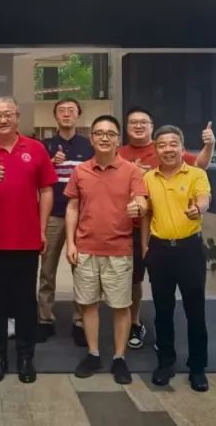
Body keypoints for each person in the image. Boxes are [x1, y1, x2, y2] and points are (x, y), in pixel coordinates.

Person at [0, 97, 56, 384]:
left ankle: (26, 357)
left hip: (26, 240)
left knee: (25, 302)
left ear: (17, 116)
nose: (3, 120)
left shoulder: (36, 148)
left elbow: (47, 190)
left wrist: (42, 229)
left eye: (8, 114)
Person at [118, 108, 215, 350]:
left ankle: (196, 362)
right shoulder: (123, 157)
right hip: (137, 232)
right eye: (133, 122)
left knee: (193, 303)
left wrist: (210, 145)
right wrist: (145, 245)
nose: (138, 126)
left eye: (143, 122)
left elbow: (201, 172)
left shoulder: (182, 164)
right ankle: (141, 329)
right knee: (140, 285)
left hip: (179, 241)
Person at [65, 115, 148, 384]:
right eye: (99, 133)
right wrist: (70, 242)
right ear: (91, 139)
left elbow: (142, 201)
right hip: (86, 249)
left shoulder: (132, 171)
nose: (104, 138)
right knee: (88, 305)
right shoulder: (80, 171)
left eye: (110, 134)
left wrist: (139, 207)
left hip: (119, 250)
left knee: (121, 307)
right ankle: (93, 353)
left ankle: (119, 358)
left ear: (117, 139)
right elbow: (72, 207)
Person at [141, 125, 213, 392]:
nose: (168, 149)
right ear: (155, 149)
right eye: (162, 145)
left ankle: (197, 367)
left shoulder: (196, 174)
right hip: (159, 250)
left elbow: (204, 198)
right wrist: (145, 247)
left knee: (195, 310)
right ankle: (165, 363)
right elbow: (146, 213)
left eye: (173, 144)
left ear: (182, 148)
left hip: (189, 250)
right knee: (162, 310)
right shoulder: (148, 178)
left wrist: (198, 208)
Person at [38, 98, 93, 345]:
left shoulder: (89, 146)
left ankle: (80, 322)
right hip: (52, 215)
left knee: (81, 271)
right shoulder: (44, 146)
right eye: (62, 110)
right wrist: (50, 164)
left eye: (71, 110)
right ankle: (44, 320)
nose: (67, 114)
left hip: (82, 216)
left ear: (78, 115)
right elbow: (35, 179)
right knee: (47, 270)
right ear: (55, 116)